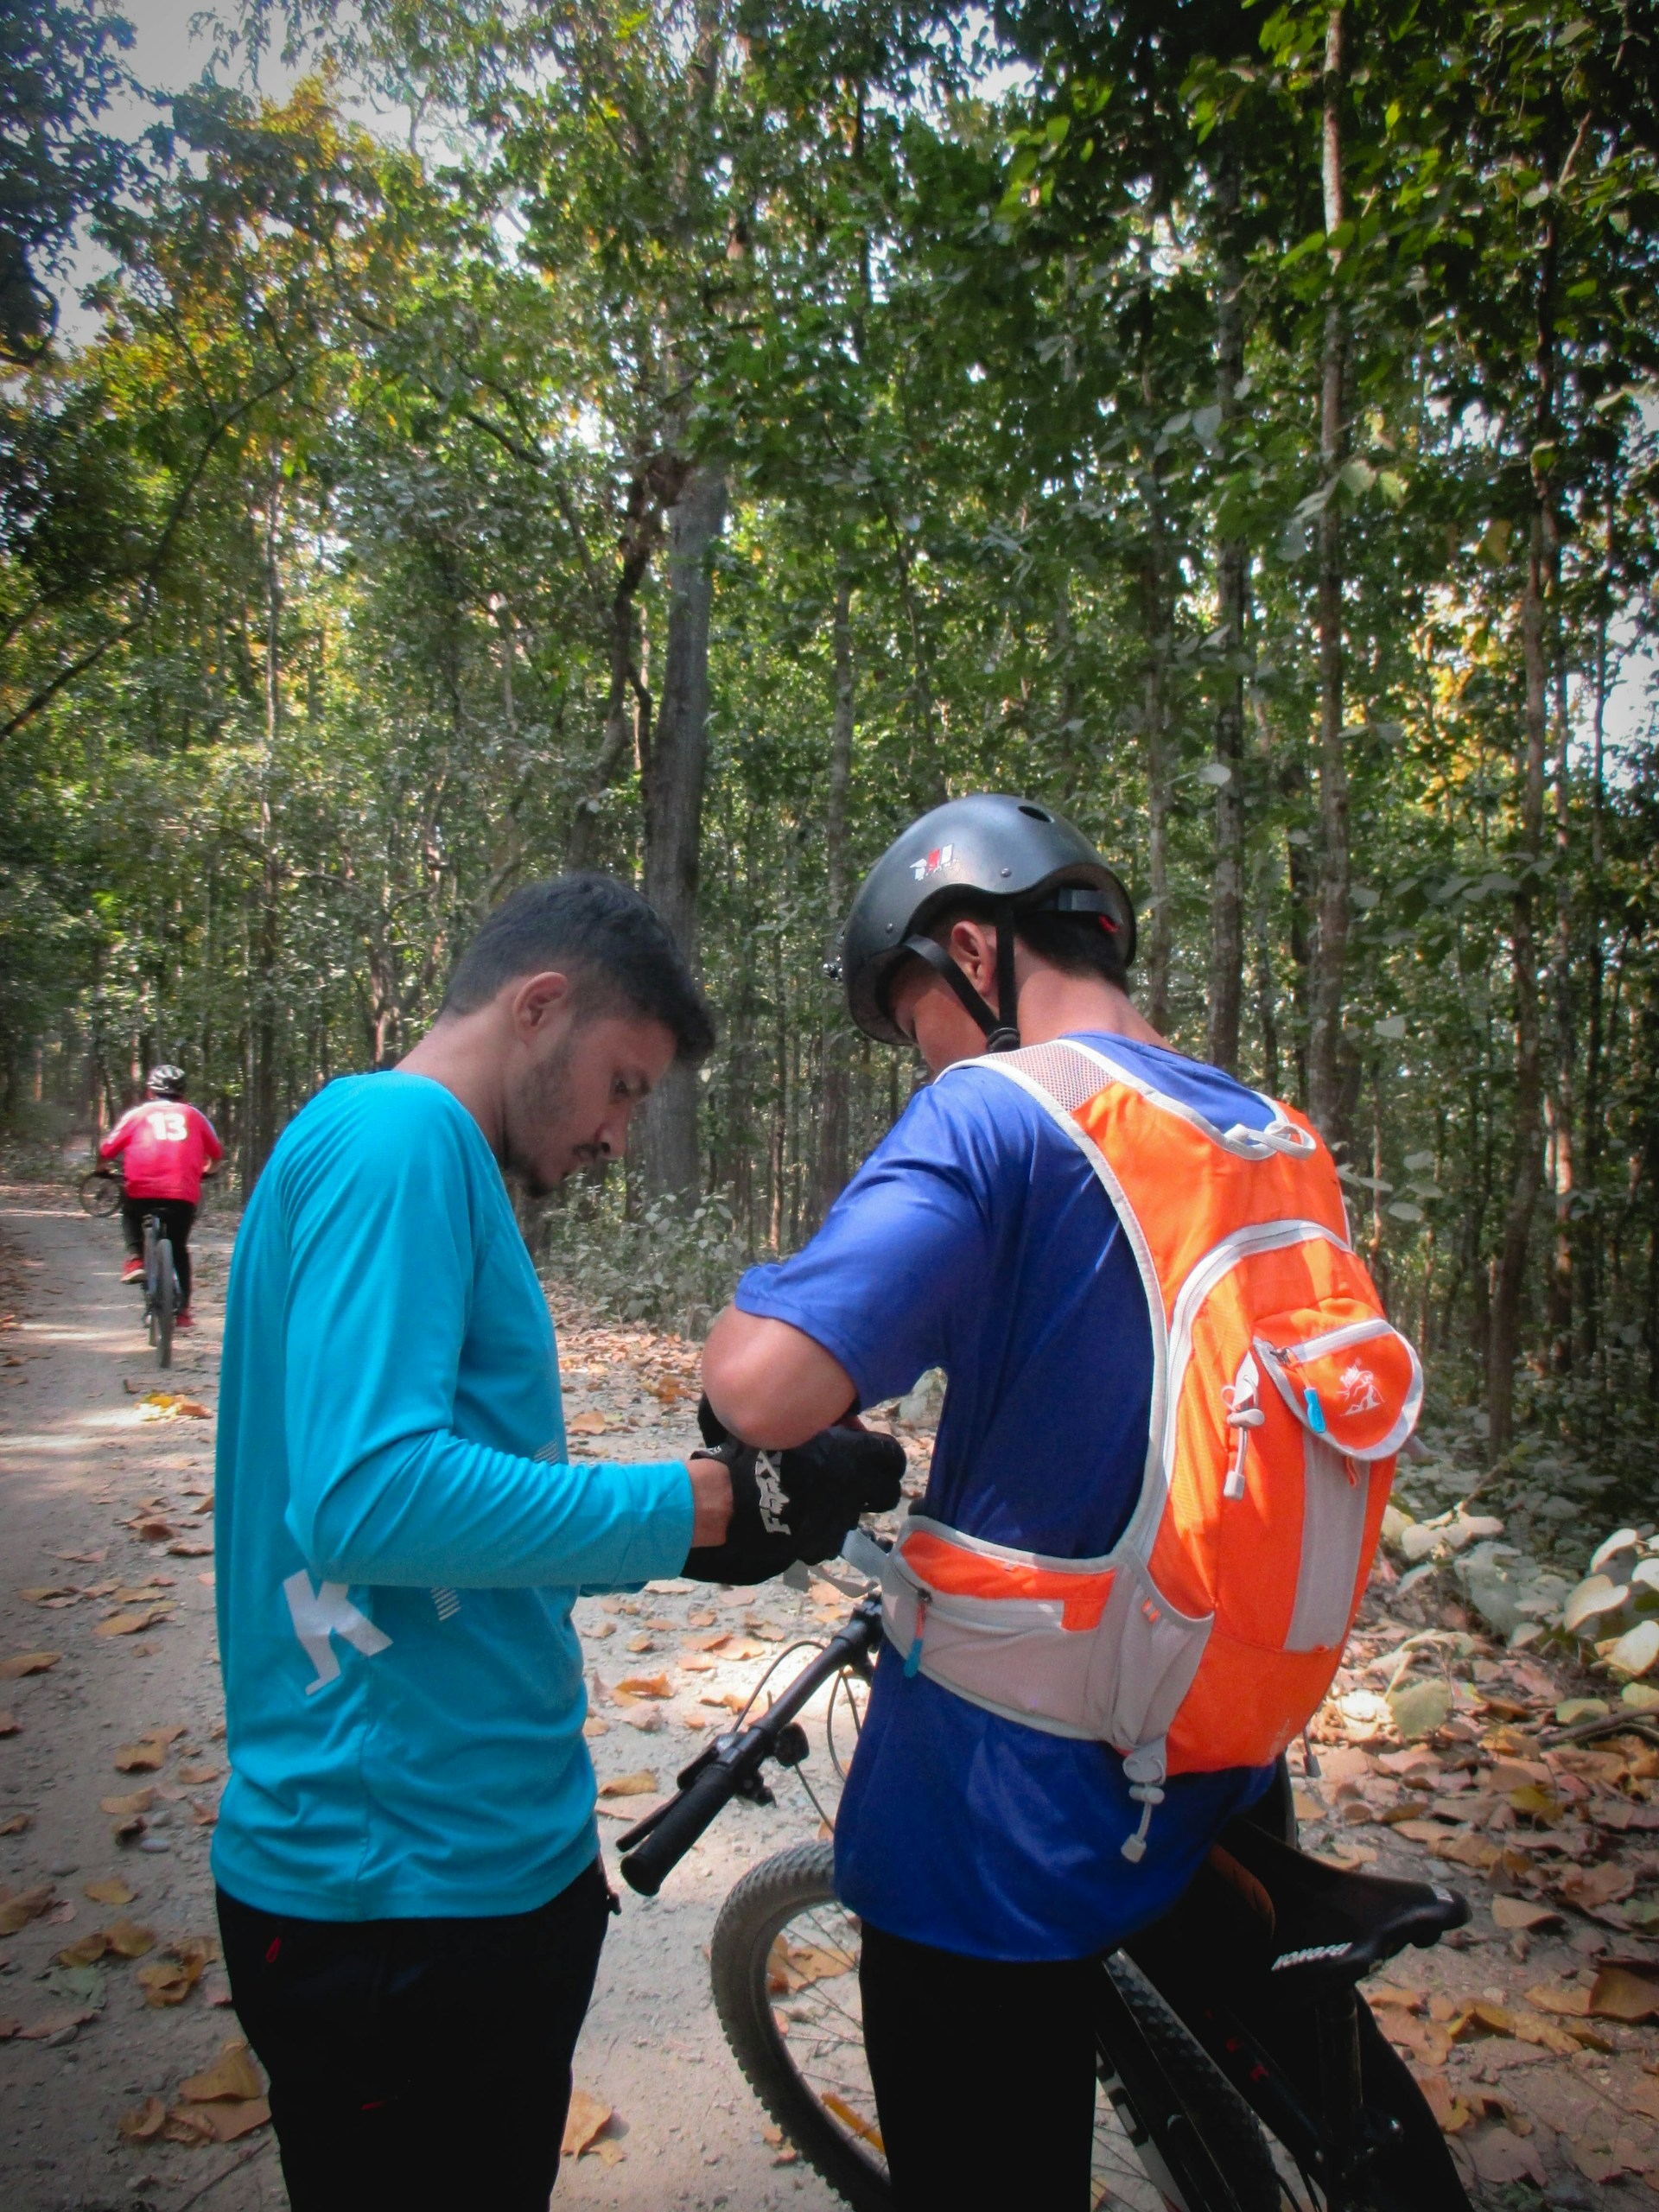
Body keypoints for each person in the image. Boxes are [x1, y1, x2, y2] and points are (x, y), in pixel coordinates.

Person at [702, 795, 1413, 2209]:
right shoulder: (1279, 1137)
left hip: (999, 1801)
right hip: (1224, 1731)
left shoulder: (1003, 1108)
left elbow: (768, 1390)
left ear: (974, 950)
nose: (931, 1054)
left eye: (917, 1022)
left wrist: (729, 1352)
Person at [212, 873, 901, 2212]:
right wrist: (709, 1503)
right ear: (540, 1008)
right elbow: (369, 1501)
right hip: (394, 1887)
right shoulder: (400, 1134)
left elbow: (454, 1501)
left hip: (458, 1859)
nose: (618, 1134)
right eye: (625, 1085)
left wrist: (712, 1528)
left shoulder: (409, 1158)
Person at [99, 1065, 223, 1327]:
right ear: (183, 1093)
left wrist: (101, 1169)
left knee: (131, 1213)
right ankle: (184, 1311)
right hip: (182, 1194)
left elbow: (108, 1147)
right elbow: (216, 1154)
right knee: (178, 1248)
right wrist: (206, 1172)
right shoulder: (195, 1116)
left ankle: (135, 1260)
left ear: (150, 1092)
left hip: (141, 1191)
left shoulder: (138, 1114)